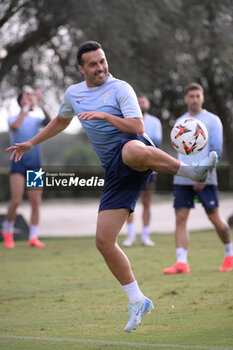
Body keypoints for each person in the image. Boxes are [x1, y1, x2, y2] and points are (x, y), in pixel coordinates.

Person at [6, 42, 217, 332]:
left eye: (102, 61)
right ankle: (137, 299)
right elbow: (60, 120)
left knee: (130, 148)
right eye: (92, 64)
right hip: (116, 172)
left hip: (135, 149)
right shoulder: (74, 94)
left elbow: (137, 127)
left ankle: (194, 170)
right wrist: (32, 142)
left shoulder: (121, 89)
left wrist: (105, 116)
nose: (100, 67)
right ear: (81, 69)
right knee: (103, 241)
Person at [163, 83, 233, 274]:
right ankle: (181, 263)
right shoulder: (180, 122)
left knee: (214, 218)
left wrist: (205, 175)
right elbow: (179, 150)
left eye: (197, 96)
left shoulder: (213, 120)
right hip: (183, 178)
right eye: (191, 96)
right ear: (185, 99)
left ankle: (230, 256)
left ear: (202, 98)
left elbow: (216, 151)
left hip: (206, 178)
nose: (194, 99)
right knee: (180, 218)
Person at [2, 86, 51, 249]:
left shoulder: (36, 119)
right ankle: (7, 231)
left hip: (35, 165)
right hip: (18, 164)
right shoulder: (13, 118)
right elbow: (15, 126)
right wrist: (25, 108)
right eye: (26, 98)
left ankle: (33, 238)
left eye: (30, 98)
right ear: (20, 101)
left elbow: (50, 121)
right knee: (16, 200)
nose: (30, 100)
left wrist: (40, 102)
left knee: (35, 202)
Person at [123, 94, 162, 247]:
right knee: (129, 202)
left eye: (143, 102)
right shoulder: (129, 121)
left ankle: (145, 235)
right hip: (132, 168)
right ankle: (130, 235)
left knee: (147, 202)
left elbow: (156, 142)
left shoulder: (155, 122)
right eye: (138, 102)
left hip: (150, 167)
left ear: (148, 104)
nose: (141, 104)